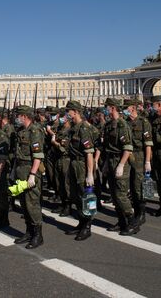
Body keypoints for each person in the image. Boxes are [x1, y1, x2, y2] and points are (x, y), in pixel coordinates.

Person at [102, 98, 137, 235]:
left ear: (112, 108)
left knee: (121, 195)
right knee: (114, 195)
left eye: (107, 107)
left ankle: (132, 222)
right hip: (110, 160)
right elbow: (107, 147)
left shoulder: (123, 125)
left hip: (120, 160)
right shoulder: (110, 125)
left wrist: (121, 165)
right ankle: (121, 221)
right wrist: (105, 164)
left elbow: (127, 148)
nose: (105, 109)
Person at [12, 105, 45, 249]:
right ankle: (28, 231)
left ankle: (38, 235)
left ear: (24, 116)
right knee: (24, 203)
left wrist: (32, 175)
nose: (16, 118)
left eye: (18, 116)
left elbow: (37, 156)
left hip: (30, 170)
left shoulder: (35, 131)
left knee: (32, 204)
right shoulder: (21, 131)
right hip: (20, 170)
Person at [63, 100, 96, 241]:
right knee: (75, 195)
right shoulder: (73, 128)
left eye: (68, 111)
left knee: (85, 196)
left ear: (75, 112)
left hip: (82, 165)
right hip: (73, 163)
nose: (67, 114)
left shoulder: (84, 128)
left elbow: (89, 153)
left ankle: (87, 226)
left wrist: (90, 174)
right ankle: (81, 222)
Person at [124, 99, 153, 226]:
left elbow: (148, 144)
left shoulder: (143, 122)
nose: (124, 110)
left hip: (139, 155)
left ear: (133, 108)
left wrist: (147, 161)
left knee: (138, 186)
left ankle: (141, 213)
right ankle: (136, 211)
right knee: (130, 185)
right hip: (128, 156)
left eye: (126, 107)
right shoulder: (125, 123)